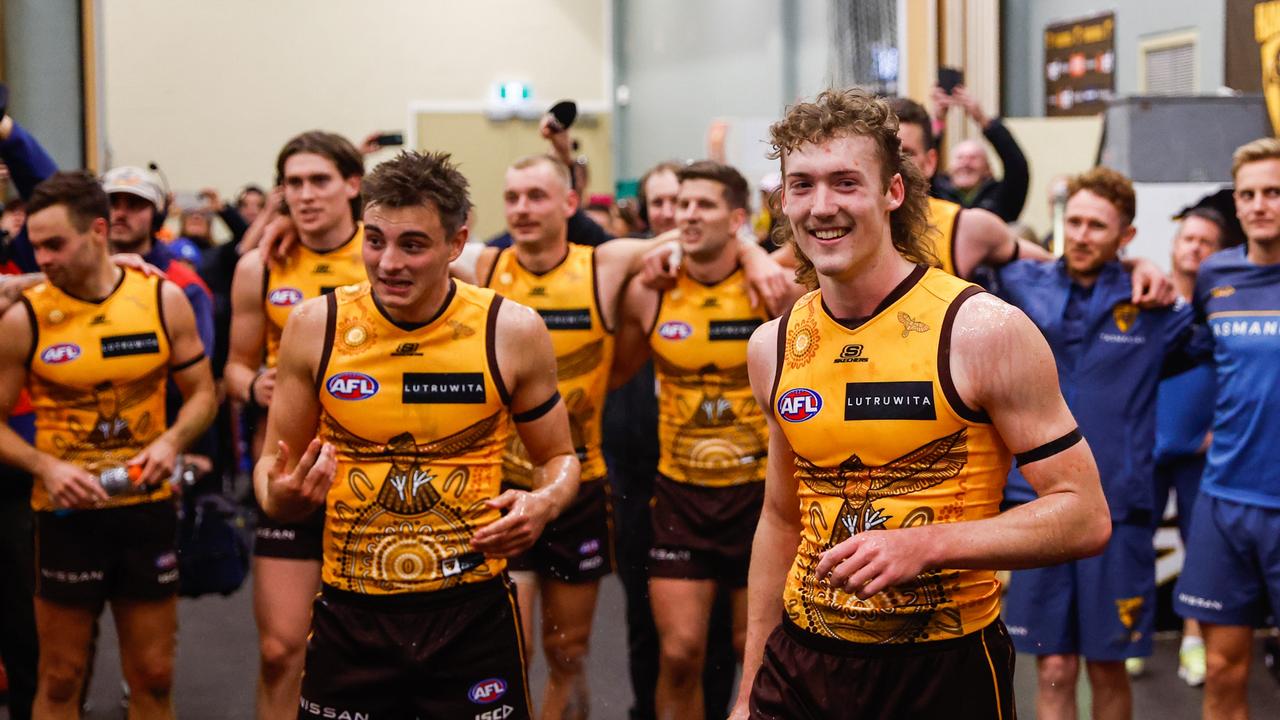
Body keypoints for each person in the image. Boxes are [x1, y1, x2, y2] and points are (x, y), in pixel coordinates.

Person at [728, 87, 1111, 719]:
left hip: (942, 669)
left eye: (846, 183)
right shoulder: (773, 345)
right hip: (801, 662)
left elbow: (1084, 515)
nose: (821, 207)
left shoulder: (983, 331)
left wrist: (928, 545)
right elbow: (780, 520)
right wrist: (747, 690)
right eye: (802, 185)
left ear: (893, 193)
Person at [255, 149, 580, 719]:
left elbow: (559, 458)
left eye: (413, 245)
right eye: (375, 240)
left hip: (470, 613)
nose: (387, 264)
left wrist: (543, 501)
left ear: (456, 245)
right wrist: (278, 497)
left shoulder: (511, 330)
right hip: (351, 611)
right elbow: (269, 469)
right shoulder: (316, 326)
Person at [467, 152, 715, 719]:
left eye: (536, 196)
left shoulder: (603, 265)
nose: (522, 209)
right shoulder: (483, 267)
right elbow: (398, 249)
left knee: (568, 649)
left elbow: (699, 230)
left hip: (581, 485)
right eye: (512, 198)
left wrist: (751, 253)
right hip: (501, 486)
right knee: (515, 646)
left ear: (569, 204)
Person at [0, 170, 215, 719]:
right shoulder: (25, 318)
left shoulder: (162, 298)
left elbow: (201, 397)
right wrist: (44, 466)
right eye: (35, 246)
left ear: (97, 232)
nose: (41, 259)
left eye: (55, 245)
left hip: (145, 512)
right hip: (65, 517)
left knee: (154, 674)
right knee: (61, 677)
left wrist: (171, 443)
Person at [996, 167, 1200, 720]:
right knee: (1053, 668)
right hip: (1037, 508)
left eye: (1097, 226)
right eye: (1075, 221)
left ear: (1125, 236)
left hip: (1120, 511)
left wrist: (1161, 270)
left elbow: (1209, 330)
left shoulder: (1151, 303)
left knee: (1107, 667)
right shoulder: (1018, 285)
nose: (1082, 234)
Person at [611, 160, 795, 720]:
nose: (688, 214)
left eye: (704, 205)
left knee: (754, 652)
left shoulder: (769, 283)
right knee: (681, 652)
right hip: (679, 496)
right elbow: (615, 373)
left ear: (737, 218)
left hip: (757, 499)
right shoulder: (652, 290)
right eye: (682, 204)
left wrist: (752, 253)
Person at [223, 130, 367, 719]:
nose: (305, 196)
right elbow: (232, 367)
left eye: (320, 181)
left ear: (352, 185)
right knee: (282, 649)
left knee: (362, 656)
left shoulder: (387, 256)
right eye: (294, 183)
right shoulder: (261, 266)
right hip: (287, 475)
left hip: (371, 479)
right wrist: (251, 384)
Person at [1173, 137, 1280, 720]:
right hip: (1224, 500)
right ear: (1235, 205)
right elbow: (1191, 354)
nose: (1260, 204)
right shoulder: (1216, 274)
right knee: (1220, 669)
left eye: (1273, 192)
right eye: (1249, 194)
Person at [1141, 206, 1226, 687]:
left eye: (1205, 241)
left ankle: (1193, 641)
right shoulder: (1150, 299)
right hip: (1148, 450)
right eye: (1188, 238)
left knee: (1203, 551)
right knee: (1133, 544)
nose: (1194, 247)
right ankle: (1131, 637)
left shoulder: (1223, 306)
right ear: (1174, 246)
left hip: (1202, 455)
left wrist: (1219, 432)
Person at [928, 84, 1030, 223]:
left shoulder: (1002, 198)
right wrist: (937, 123)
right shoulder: (935, 193)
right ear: (949, 167)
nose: (965, 163)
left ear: (988, 170)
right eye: (960, 157)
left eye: (973, 158)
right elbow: (922, 164)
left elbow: (1017, 166)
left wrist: (982, 119)